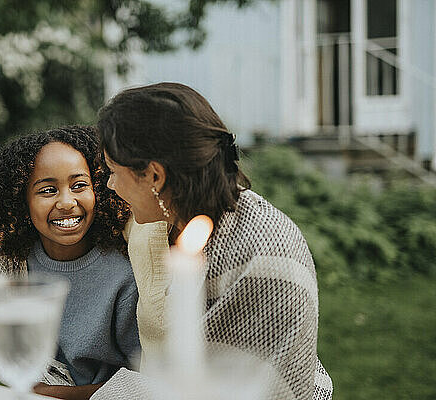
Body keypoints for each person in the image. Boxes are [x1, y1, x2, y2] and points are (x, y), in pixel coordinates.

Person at [91, 82, 333, 400]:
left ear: (154, 176)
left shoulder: (261, 256)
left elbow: (222, 389)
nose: (110, 185)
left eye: (112, 171)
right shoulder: (175, 223)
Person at [0, 126, 141, 399]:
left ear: (100, 190)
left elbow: (144, 381)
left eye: (79, 185)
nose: (67, 202)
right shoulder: (12, 265)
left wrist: (52, 393)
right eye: (47, 190)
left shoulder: (123, 276)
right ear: (21, 202)